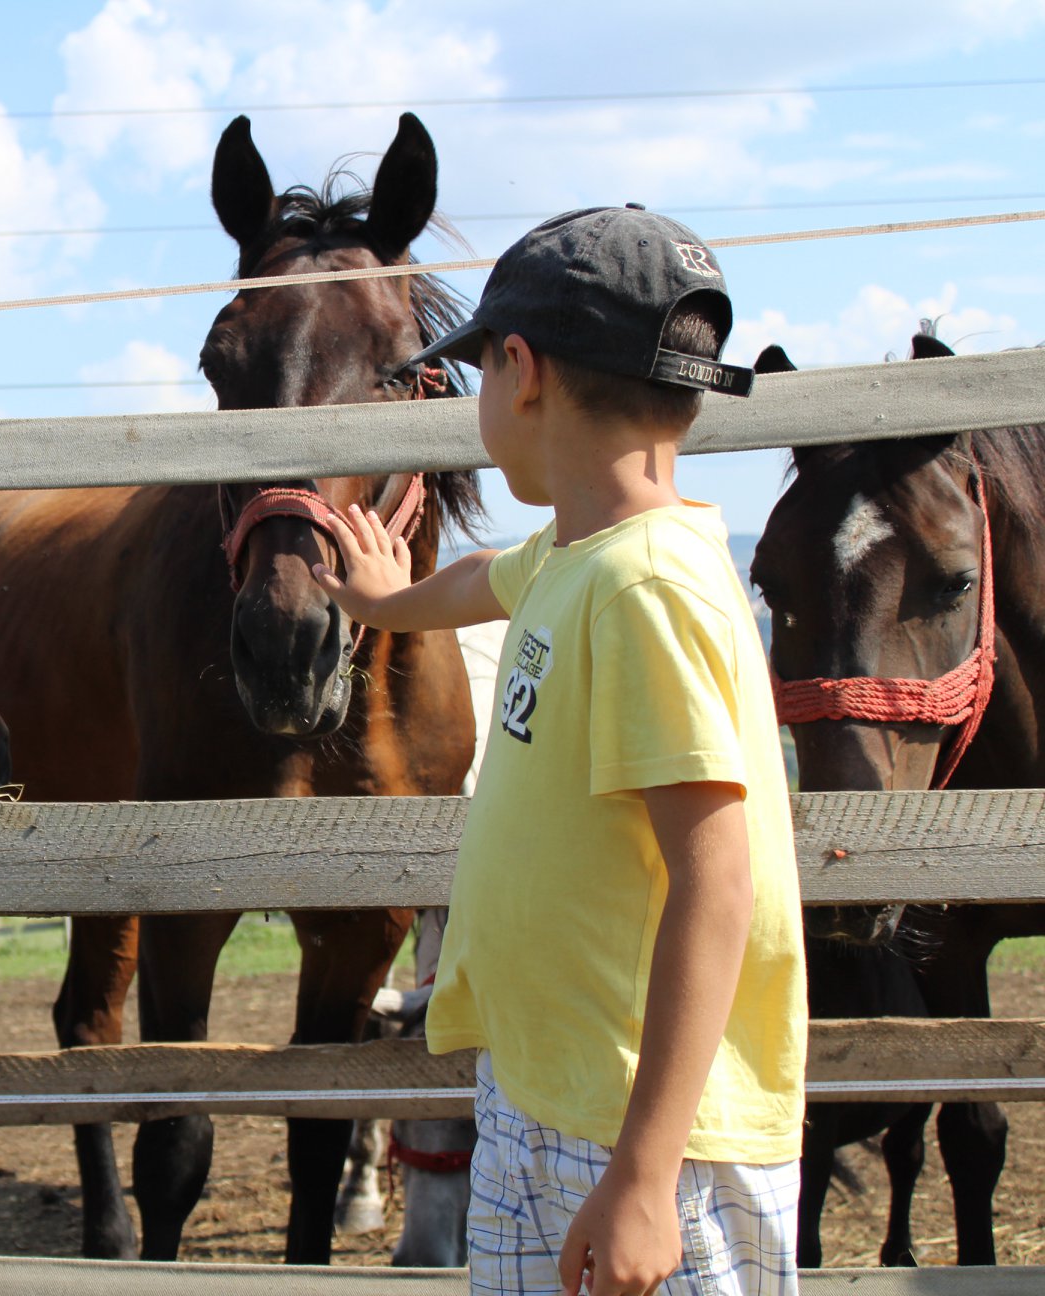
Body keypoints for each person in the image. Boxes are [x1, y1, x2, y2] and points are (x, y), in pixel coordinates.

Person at [313, 206, 804, 1295]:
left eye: (481, 368)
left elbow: (719, 884)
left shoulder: (643, 590)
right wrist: (388, 605)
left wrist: (642, 1174)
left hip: (638, 1132)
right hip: (549, 1093)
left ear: (520, 369)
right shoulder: (579, 555)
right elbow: (486, 573)